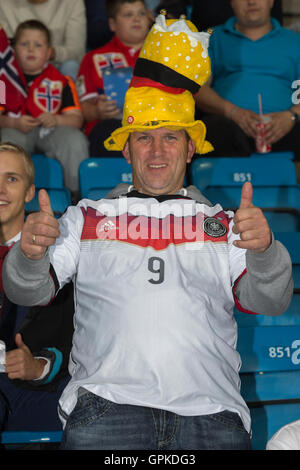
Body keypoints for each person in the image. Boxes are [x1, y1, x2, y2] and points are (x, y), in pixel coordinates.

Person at [2, 13, 293, 451]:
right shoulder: (86, 217)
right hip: (105, 409)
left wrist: (266, 250)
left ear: (191, 146)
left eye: (171, 138)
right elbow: (26, 290)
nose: (157, 150)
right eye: (143, 137)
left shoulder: (227, 222)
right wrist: (29, 255)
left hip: (211, 414)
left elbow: (270, 299)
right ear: (125, 146)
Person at [0, 143, 74, 440]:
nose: (0, 189)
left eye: (11, 178)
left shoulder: (62, 252)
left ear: (30, 192)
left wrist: (39, 366)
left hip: (35, 392)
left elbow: (74, 335)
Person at [194, 0, 300, 162]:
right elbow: (199, 89)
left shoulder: (294, 42)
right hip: (228, 127)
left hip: (286, 127)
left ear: (271, 1)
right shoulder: (210, 38)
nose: (251, 2)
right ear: (231, 3)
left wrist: (291, 117)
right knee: (210, 131)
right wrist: (233, 112)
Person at [0, 20, 89, 197]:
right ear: (13, 50)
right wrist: (13, 122)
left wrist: (57, 119)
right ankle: (9, 196)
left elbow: (76, 119)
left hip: (52, 131)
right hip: (15, 130)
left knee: (74, 140)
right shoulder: (4, 81)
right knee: (7, 140)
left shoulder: (62, 81)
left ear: (49, 52)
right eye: (24, 44)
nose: (31, 49)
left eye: (38, 45)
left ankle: (76, 196)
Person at [77, 0, 151, 157]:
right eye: (128, 14)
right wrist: (97, 111)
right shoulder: (93, 58)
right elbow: (83, 109)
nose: (136, 19)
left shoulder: (164, 56)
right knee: (109, 132)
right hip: (112, 127)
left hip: (155, 125)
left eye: (141, 13)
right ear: (112, 24)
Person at [0, 0, 87, 81]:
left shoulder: (72, 2)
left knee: (71, 66)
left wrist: (52, 52)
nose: (31, 49)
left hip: (57, 66)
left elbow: (77, 51)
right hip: (14, 66)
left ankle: (72, 96)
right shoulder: (3, 3)